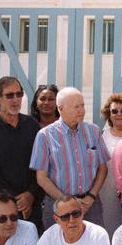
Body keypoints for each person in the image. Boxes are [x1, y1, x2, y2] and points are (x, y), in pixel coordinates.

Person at [30, 87, 111, 227]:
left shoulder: (94, 131)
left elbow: (102, 169)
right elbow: (41, 178)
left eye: (82, 105)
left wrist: (91, 196)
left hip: (90, 205)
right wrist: (67, 201)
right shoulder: (45, 136)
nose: (81, 110)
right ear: (60, 108)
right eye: (76, 107)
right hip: (59, 206)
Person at [0, 76, 44, 231]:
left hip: (30, 207)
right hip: (0, 209)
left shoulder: (32, 126)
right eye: (10, 95)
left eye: (19, 94)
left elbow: (42, 165)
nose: (16, 99)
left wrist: (31, 195)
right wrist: (13, 201)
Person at [99, 93, 122, 235]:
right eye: (114, 111)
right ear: (109, 114)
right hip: (105, 190)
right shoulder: (101, 135)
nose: (119, 114)